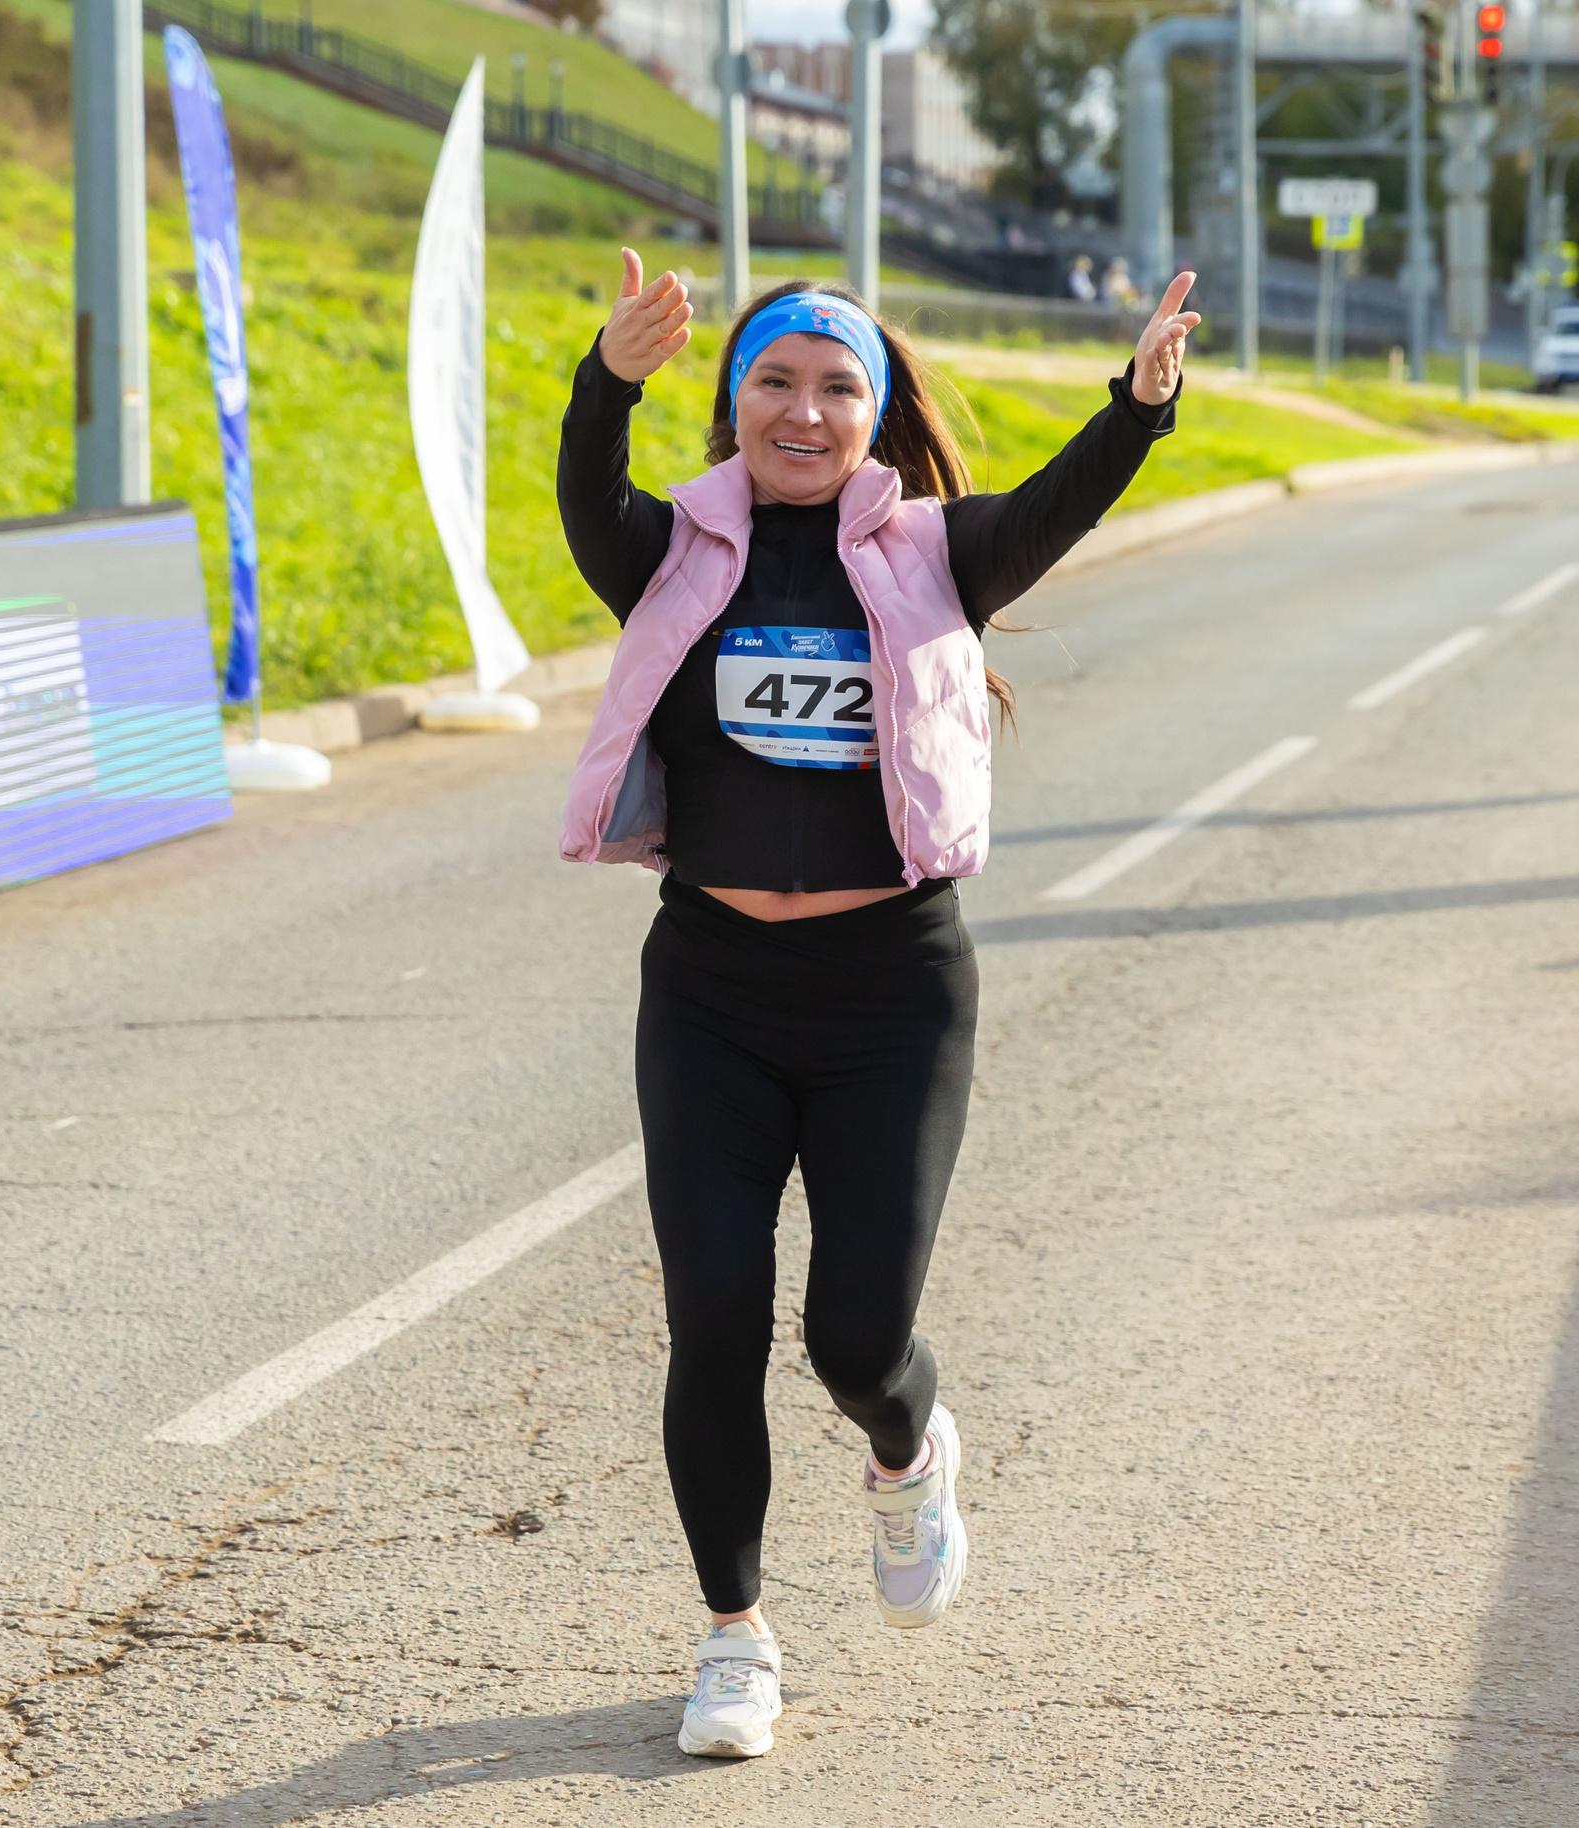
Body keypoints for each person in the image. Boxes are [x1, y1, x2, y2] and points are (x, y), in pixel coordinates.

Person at [555, 253, 1200, 1760]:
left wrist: (1140, 406)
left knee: (856, 1336)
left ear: (880, 412)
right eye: (774, 380)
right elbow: (588, 486)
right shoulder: (670, 555)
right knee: (713, 1312)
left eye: (839, 385)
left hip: (891, 994)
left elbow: (1060, 505)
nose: (804, 408)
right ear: (729, 407)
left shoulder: (932, 555)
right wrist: (607, 375)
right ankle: (733, 1639)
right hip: (708, 989)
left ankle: (909, 1449)